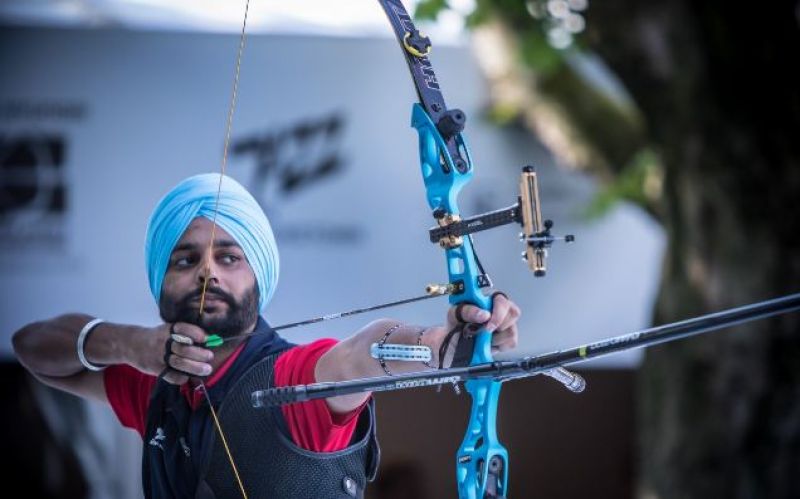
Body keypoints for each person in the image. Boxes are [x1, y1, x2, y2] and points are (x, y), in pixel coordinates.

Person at [12, 173, 522, 498]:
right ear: (159, 279)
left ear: (259, 275)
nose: (207, 274)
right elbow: (31, 347)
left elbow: (365, 352)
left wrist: (445, 344)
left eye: (229, 257)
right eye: (185, 259)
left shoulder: (291, 379)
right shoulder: (154, 385)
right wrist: (127, 344)